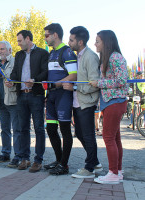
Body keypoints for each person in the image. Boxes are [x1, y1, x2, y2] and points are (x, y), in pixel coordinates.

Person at [90, 30, 129, 184]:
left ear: (106, 42)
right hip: (111, 102)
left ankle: (113, 173)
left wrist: (99, 83)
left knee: (108, 137)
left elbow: (122, 80)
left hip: (115, 101)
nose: (95, 44)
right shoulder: (109, 58)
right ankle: (117, 171)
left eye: (97, 41)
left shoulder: (116, 57)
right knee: (115, 138)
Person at [64, 26, 103, 179]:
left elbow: (94, 83)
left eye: (71, 40)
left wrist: (74, 87)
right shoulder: (77, 56)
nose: (69, 42)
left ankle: (89, 168)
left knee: (88, 135)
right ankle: (95, 162)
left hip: (86, 102)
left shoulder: (90, 56)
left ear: (80, 42)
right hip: (77, 102)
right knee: (80, 134)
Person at [9, 30, 49, 173]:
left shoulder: (43, 53)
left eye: (20, 41)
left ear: (28, 39)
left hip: (36, 95)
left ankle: (38, 160)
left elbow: (46, 72)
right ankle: (25, 158)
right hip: (21, 96)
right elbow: (15, 72)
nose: (18, 44)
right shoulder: (19, 55)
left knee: (39, 128)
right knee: (22, 128)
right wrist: (11, 81)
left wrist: (35, 80)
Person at [43, 23, 77, 175]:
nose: (45, 39)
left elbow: (74, 75)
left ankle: (64, 165)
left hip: (63, 94)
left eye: (47, 35)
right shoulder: (52, 52)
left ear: (55, 35)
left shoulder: (67, 51)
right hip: (51, 96)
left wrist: (55, 84)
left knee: (64, 130)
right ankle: (59, 160)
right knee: (50, 128)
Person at [0, 41, 21, 168]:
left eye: (2, 49)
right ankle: (5, 153)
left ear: (10, 50)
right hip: (0, 100)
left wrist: (0, 72)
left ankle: (18, 155)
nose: (0, 51)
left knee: (17, 129)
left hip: (13, 99)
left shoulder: (15, 61)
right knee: (4, 129)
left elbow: (14, 78)